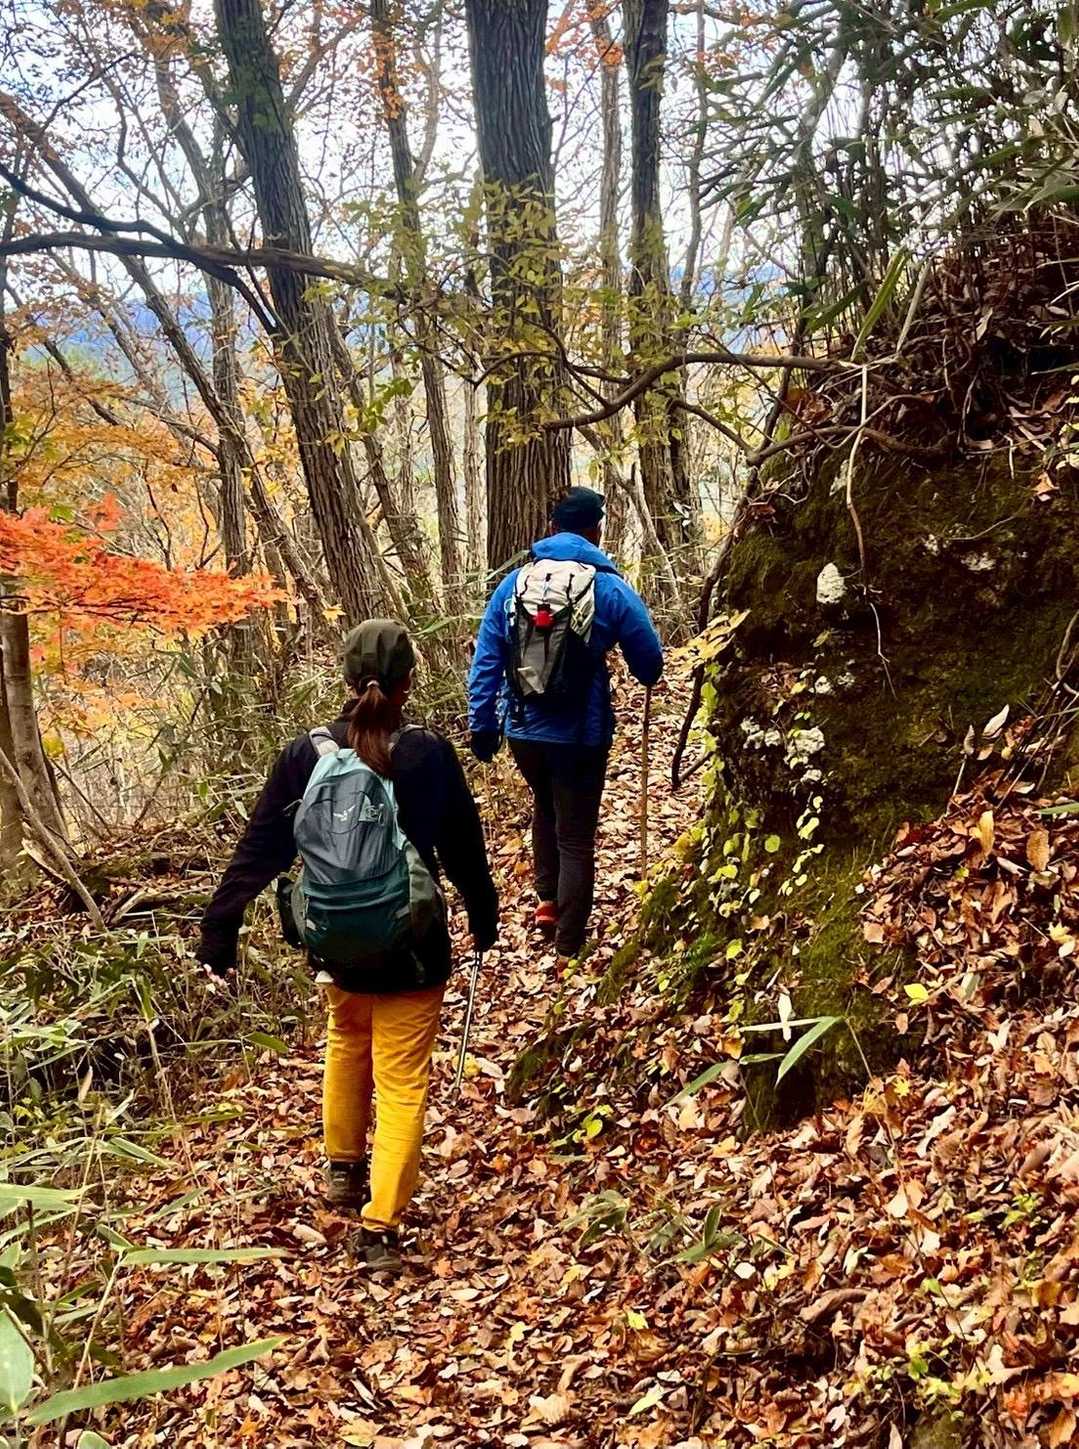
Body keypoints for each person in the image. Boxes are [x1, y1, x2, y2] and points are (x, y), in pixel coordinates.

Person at [197, 620, 498, 1273]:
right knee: (401, 1078)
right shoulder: (426, 753)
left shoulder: (305, 754)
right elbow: (463, 848)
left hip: (335, 943)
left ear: (344, 677)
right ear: (408, 680)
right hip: (412, 947)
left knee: (347, 1037)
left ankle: (342, 1168)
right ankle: (379, 1227)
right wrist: (484, 915)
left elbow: (260, 848)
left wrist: (220, 927)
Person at [468, 486, 662, 963]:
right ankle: (570, 946)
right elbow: (650, 664)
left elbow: (487, 658)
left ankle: (548, 903)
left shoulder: (514, 585)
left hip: (522, 732)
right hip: (579, 734)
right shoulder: (608, 587)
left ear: (552, 528)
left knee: (545, 803)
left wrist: (483, 724)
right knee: (574, 833)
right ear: (596, 531)